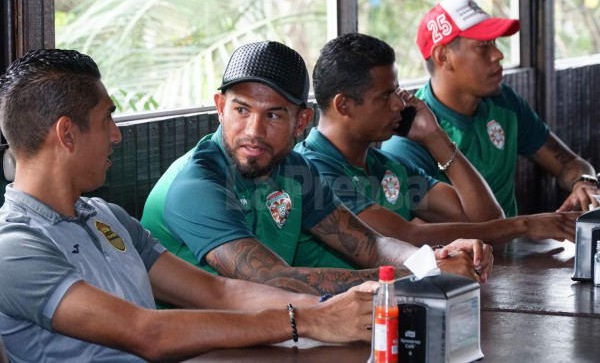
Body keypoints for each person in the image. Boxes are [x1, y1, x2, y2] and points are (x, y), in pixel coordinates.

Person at [0, 48, 381, 362]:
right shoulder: (14, 248)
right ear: (67, 134)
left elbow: (220, 293)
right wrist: (305, 321)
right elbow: (146, 331)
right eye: (106, 119)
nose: (116, 135)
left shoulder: (107, 217)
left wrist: (331, 310)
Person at [141, 40, 493, 297]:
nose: (253, 131)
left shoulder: (295, 170)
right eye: (241, 110)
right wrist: (420, 275)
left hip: (271, 335)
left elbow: (369, 244)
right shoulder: (196, 183)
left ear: (301, 121)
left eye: (274, 115)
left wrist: (432, 259)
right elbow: (269, 279)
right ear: (220, 107)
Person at [293, 33, 578, 268]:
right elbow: (402, 236)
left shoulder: (386, 166)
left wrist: (435, 137)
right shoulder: (313, 170)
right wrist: (525, 225)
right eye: (384, 96)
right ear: (344, 105)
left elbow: (487, 220)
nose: (399, 105)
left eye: (397, 91)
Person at [381, 0, 599, 218]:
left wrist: (584, 182)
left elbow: (569, 163)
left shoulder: (503, 101)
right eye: (483, 46)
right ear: (443, 57)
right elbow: (424, 237)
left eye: (494, 43)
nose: (498, 54)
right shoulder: (409, 139)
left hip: (519, 246)